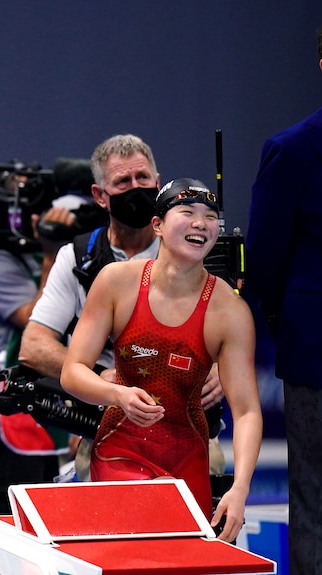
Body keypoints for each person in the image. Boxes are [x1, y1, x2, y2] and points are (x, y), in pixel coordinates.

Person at [60, 177, 263, 543]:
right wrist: (117, 395)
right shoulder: (116, 282)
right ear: (158, 225)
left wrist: (241, 489)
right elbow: (72, 373)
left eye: (210, 216)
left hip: (188, 460)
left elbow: (246, 410)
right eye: (187, 212)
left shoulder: (229, 311)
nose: (201, 223)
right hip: (119, 448)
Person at [18, 134, 225, 481]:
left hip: (189, 431)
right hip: (105, 427)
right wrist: (98, 381)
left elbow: (230, 340)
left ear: (159, 185)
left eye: (143, 179)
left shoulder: (194, 254)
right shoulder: (77, 258)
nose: (135, 188)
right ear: (100, 195)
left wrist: (221, 367)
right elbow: (33, 346)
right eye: (122, 182)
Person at [0, 165, 89, 516]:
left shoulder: (23, 259)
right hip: (0, 430)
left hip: (31, 424)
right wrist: (54, 251)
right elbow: (38, 322)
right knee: (7, 543)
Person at [244, 26, 322, 574]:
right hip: (316, 356)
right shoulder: (293, 149)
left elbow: (267, 261)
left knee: (314, 498)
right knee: (314, 497)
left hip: (310, 341)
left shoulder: (293, 147)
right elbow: (263, 258)